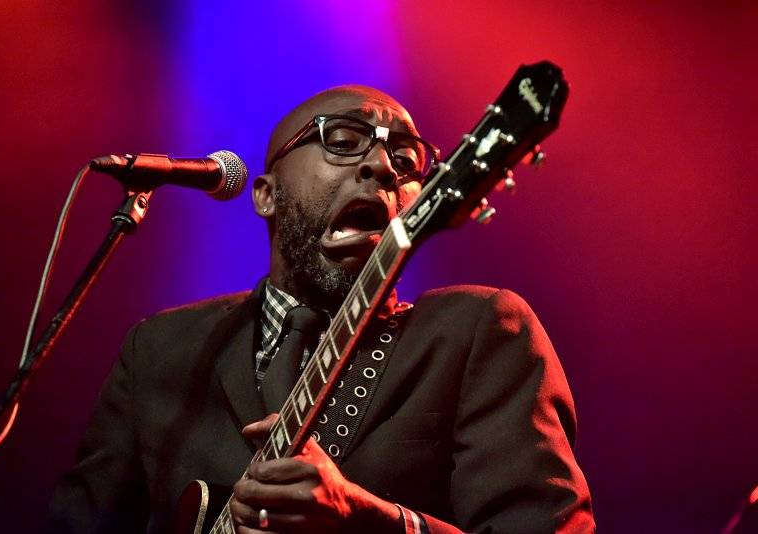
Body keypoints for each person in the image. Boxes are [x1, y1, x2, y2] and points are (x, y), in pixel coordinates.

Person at [45, 85, 594, 533]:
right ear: (267, 194)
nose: (382, 166)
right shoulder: (161, 348)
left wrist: (369, 521)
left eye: (406, 160)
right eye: (344, 140)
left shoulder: (477, 329)